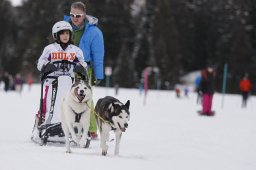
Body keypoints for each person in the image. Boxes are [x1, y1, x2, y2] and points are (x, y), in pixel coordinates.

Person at [32, 21, 87, 139]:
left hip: (69, 83)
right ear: (56, 35)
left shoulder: (75, 50)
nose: (65, 36)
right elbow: (40, 62)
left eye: (67, 33)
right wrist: (47, 65)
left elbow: (83, 64)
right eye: (62, 33)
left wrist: (80, 67)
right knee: (46, 104)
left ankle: (71, 124)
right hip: (51, 82)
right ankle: (41, 124)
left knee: (71, 103)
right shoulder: (50, 49)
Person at [64, 1, 104, 139]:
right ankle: (64, 124)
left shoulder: (94, 32)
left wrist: (98, 74)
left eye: (78, 15)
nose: (74, 18)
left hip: (84, 68)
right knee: (64, 95)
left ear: (84, 15)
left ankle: (92, 130)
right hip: (65, 66)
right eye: (72, 15)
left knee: (86, 98)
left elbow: (98, 56)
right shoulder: (64, 27)